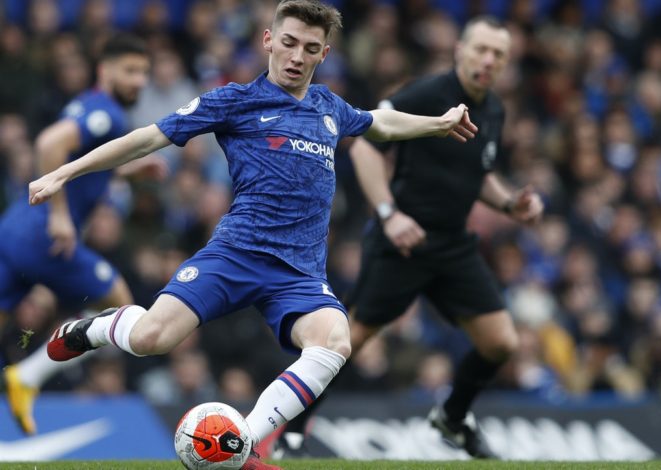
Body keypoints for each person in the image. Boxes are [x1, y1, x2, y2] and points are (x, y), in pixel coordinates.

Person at [31, 1, 476, 469]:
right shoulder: (234, 100)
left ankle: (242, 442)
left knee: (335, 341)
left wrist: (437, 124)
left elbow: (378, 122)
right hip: (237, 254)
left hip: (300, 271)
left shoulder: (329, 106)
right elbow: (147, 138)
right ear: (268, 40)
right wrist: (66, 172)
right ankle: (95, 328)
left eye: (310, 48)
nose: (297, 57)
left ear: (324, 54)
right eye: (288, 43)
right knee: (150, 338)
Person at [276, 15, 544, 460]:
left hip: (452, 245)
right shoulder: (425, 95)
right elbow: (365, 147)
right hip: (402, 243)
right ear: (460, 50)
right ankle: (292, 432)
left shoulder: (494, 109)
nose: (488, 60)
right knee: (345, 343)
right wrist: (389, 214)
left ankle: (453, 417)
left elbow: (476, 173)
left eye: (498, 54)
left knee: (501, 343)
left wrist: (509, 203)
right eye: (480, 49)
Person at [0, 33, 159, 435]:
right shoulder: (107, 113)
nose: (139, 81)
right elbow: (49, 143)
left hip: (15, 228)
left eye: (143, 73)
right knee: (122, 308)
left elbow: (80, 161)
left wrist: (128, 170)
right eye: (130, 71)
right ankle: (28, 376)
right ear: (105, 70)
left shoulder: (87, 106)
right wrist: (59, 215)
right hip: (45, 239)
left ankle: (24, 378)